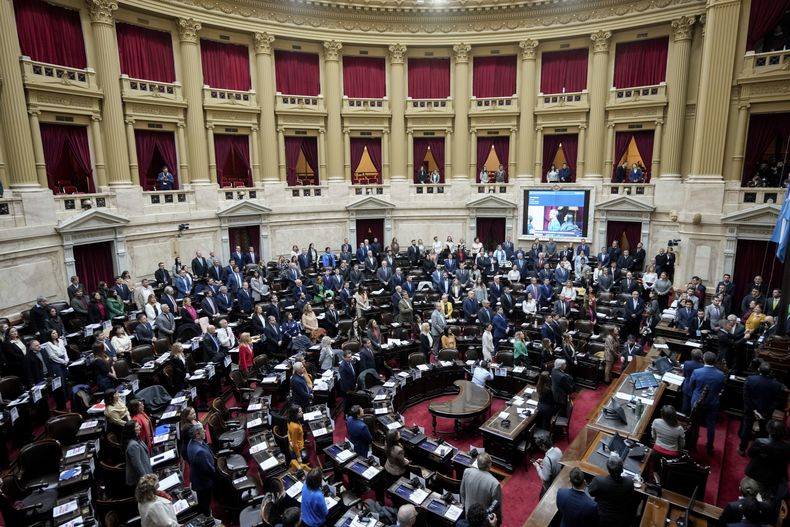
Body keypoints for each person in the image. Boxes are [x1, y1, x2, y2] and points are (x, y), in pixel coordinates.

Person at [739, 361, 784, 455]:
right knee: (764, 431)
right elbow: (777, 402)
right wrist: (764, 412)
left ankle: (742, 449)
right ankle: (760, 451)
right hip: (765, 412)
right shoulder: (777, 385)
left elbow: (746, 397)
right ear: (770, 371)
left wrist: (754, 410)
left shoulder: (750, 379)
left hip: (750, 410)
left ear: (759, 369)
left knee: (746, 428)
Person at [688, 351, 725, 456]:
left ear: (704, 359)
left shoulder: (697, 372)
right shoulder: (721, 374)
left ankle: (692, 446)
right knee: (711, 425)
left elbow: (691, 386)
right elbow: (721, 388)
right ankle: (709, 447)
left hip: (697, 401)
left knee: (695, 424)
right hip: (713, 402)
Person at [588, 455, 637, 525]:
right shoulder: (629, 482)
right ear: (622, 470)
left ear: (608, 469)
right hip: (621, 520)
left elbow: (591, 493)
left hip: (601, 517)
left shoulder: (598, 481)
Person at [745, 420, 790, 497]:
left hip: (756, 473)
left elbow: (750, 454)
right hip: (774, 477)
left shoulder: (759, 441)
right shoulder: (787, 448)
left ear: (769, 431)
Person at [460, 453, 502, 518]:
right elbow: (496, 506)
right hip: (483, 519)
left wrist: (465, 507)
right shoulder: (495, 484)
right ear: (489, 465)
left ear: (477, 463)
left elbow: (462, 492)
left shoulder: (467, 472)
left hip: (468, 513)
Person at [187, 424, 216, 516]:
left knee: (203, 500)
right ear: (197, 435)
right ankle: (207, 519)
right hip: (203, 482)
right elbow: (207, 469)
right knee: (205, 502)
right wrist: (216, 475)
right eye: (203, 430)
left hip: (198, 477)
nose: (205, 431)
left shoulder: (192, 442)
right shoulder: (199, 452)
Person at [651, 405, 685, 469]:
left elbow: (653, 436)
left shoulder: (656, 422)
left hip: (656, 451)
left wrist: (658, 442)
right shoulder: (679, 429)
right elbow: (682, 444)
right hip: (672, 455)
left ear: (662, 415)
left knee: (656, 469)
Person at [124, 421, 152, 488]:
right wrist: (147, 479)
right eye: (137, 426)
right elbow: (137, 465)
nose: (140, 427)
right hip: (140, 480)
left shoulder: (137, 439)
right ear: (132, 430)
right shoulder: (133, 446)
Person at [681, 349, 705, 414]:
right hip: (697, 387)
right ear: (701, 356)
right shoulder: (703, 366)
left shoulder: (686, 363)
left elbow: (684, 375)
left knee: (685, 404)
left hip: (687, 386)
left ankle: (683, 416)